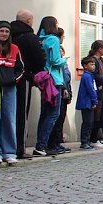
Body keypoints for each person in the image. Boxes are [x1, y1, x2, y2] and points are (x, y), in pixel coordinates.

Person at [0, 20, 22, 165]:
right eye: (2, 31)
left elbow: (21, 69)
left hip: (9, 89)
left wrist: (13, 80)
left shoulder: (14, 48)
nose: (4, 34)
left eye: (7, 31)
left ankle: (9, 152)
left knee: (9, 119)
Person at [10, 9, 44, 159]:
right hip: (24, 77)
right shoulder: (30, 37)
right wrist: (35, 74)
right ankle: (19, 148)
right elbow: (39, 58)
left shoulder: (8, 34)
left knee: (8, 113)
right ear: (29, 21)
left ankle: (7, 147)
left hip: (6, 78)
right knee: (21, 113)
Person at [32, 16, 65, 157]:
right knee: (53, 113)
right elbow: (55, 60)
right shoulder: (53, 39)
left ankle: (40, 145)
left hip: (44, 79)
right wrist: (64, 60)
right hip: (54, 80)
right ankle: (42, 145)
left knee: (45, 113)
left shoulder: (40, 39)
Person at [47, 38, 72, 155]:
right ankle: (54, 143)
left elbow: (67, 80)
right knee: (56, 119)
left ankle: (57, 142)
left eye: (62, 51)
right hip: (60, 91)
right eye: (59, 51)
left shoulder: (64, 64)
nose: (60, 52)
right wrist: (64, 89)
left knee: (60, 120)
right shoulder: (58, 65)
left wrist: (69, 93)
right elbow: (62, 79)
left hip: (65, 93)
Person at [76, 56, 99, 150]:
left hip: (88, 102)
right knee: (88, 123)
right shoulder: (87, 76)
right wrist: (95, 100)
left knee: (89, 123)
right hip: (87, 102)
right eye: (91, 64)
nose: (93, 66)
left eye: (94, 64)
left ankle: (87, 141)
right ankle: (84, 142)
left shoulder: (89, 75)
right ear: (85, 66)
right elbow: (90, 89)